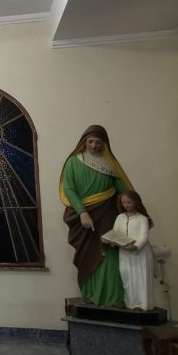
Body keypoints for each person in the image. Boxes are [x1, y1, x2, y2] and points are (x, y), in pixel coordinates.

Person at [59, 125, 134, 306]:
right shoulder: (73, 162)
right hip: (83, 216)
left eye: (98, 143)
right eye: (90, 141)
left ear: (104, 144)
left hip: (107, 212)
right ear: (84, 142)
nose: (94, 146)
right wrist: (82, 212)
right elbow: (69, 188)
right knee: (87, 254)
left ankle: (114, 297)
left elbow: (123, 190)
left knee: (110, 252)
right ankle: (91, 294)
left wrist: (137, 210)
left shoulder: (109, 164)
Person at [109, 191, 154, 310]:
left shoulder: (142, 218)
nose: (126, 205)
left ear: (136, 202)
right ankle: (129, 303)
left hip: (140, 253)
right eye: (123, 202)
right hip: (124, 252)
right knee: (126, 277)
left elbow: (144, 236)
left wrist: (135, 246)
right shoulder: (120, 217)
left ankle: (142, 305)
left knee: (140, 278)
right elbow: (115, 233)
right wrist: (111, 240)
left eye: (128, 202)